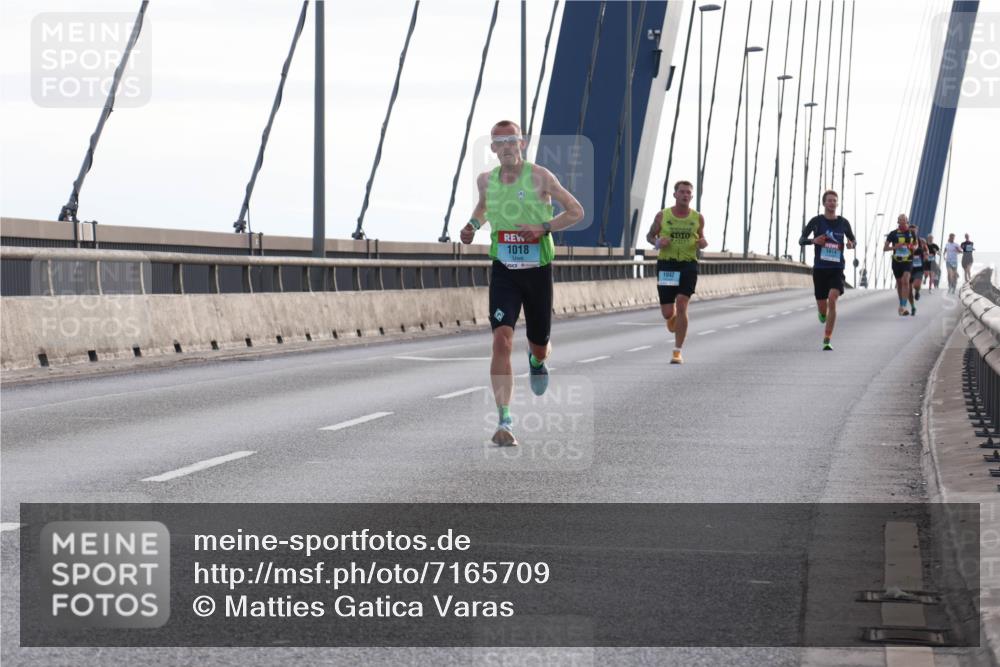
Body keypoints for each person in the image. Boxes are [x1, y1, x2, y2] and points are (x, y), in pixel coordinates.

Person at [460, 120, 584, 447]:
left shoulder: (541, 176)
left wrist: (544, 227)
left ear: (522, 144)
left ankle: (537, 360)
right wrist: (472, 225)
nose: (506, 147)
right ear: (493, 148)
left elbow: (576, 211)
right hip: (505, 269)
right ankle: (504, 419)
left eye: (512, 141)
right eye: (500, 142)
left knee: (539, 344)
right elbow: (484, 207)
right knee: (501, 340)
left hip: (537, 270)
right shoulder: (485, 180)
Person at [645, 180, 708, 364]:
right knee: (667, 312)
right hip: (668, 265)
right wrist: (658, 242)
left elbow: (702, 238)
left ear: (692, 196)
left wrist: (703, 242)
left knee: (682, 303)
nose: (685, 195)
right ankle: (672, 319)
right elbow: (650, 236)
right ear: (675, 195)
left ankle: (677, 351)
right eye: (682, 192)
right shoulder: (662, 216)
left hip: (688, 264)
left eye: (688, 192)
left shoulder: (697, 218)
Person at [798, 189, 856, 350]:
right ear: (824, 203)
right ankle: (822, 313)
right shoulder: (816, 221)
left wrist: (851, 244)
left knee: (832, 298)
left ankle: (827, 338)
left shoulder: (843, 223)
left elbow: (853, 240)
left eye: (834, 200)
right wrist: (814, 241)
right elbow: (801, 240)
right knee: (823, 307)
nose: (832, 203)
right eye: (829, 200)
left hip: (837, 269)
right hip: (820, 269)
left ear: (837, 203)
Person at [883, 214, 917, 316]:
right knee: (900, 283)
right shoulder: (893, 234)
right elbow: (885, 248)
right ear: (898, 222)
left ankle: (903, 306)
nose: (902, 221)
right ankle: (901, 303)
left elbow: (916, 244)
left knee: (905, 281)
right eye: (900, 220)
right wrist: (895, 247)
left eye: (904, 220)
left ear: (907, 221)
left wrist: (912, 247)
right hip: (897, 262)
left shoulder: (912, 233)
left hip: (908, 261)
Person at [908, 224, 928, 312]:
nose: (912, 232)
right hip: (908, 267)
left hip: (919, 266)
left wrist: (926, 255)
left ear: (917, 231)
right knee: (909, 287)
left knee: (917, 285)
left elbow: (926, 250)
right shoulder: (905, 241)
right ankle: (912, 305)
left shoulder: (922, 241)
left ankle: (917, 291)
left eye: (914, 230)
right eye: (910, 230)